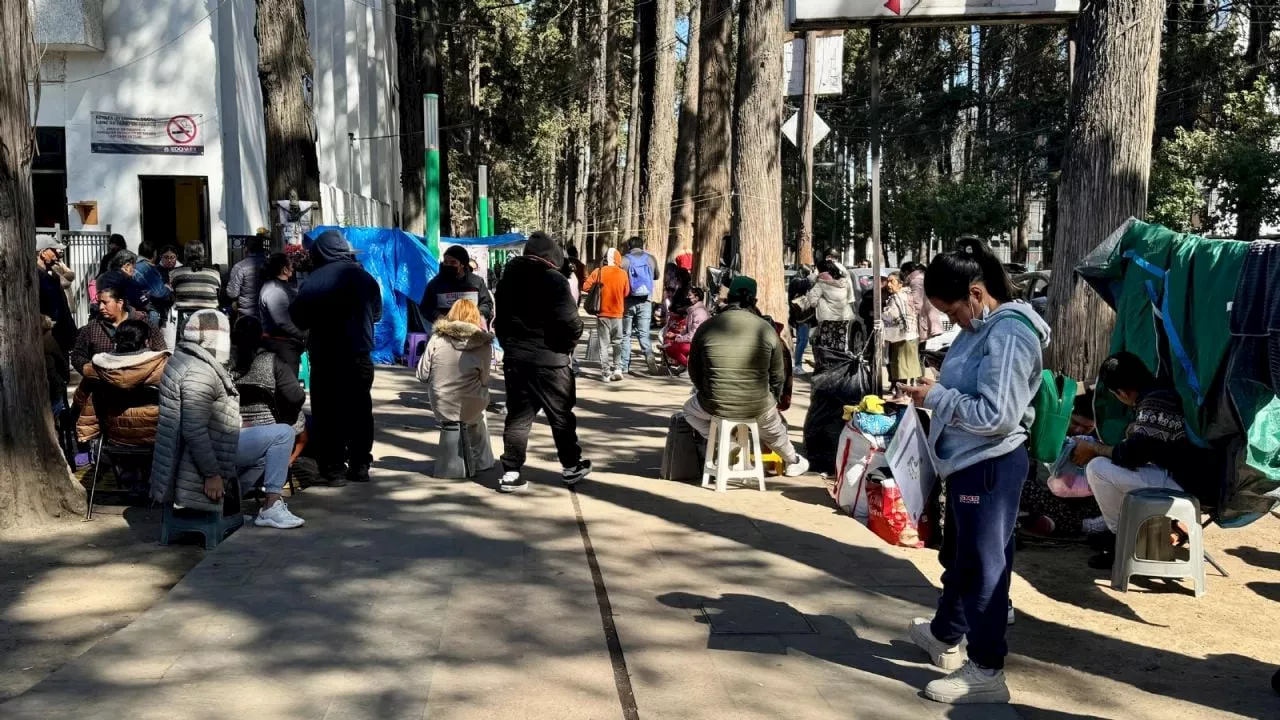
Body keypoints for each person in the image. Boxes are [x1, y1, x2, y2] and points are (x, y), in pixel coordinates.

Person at [897, 237, 1049, 706]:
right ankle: (945, 633)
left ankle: (986, 669)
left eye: (956, 311)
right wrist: (936, 385)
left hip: (990, 464)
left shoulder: (1008, 333)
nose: (956, 322)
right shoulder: (983, 329)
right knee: (962, 560)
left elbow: (997, 415)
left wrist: (937, 397)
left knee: (985, 569)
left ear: (978, 293)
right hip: (968, 463)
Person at [149, 309, 304, 529]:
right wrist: (212, 474)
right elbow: (194, 430)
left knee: (264, 452)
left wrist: (236, 423)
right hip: (203, 454)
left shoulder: (183, 359)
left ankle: (231, 503)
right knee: (283, 434)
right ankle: (271, 505)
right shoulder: (199, 372)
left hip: (202, 444)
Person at [1073, 351, 1218, 570]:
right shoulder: (1161, 392)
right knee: (1115, 473)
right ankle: (1136, 536)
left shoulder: (1156, 401)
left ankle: (1120, 540)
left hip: (1187, 484)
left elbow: (1130, 455)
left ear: (1120, 392)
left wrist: (1094, 448)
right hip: (1191, 478)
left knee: (1098, 469)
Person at [682, 275, 810, 477]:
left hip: (714, 404)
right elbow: (778, 376)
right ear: (754, 301)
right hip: (758, 406)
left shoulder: (708, 326)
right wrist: (771, 401)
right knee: (775, 432)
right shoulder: (766, 329)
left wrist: (709, 392)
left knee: (688, 411)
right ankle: (793, 460)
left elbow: (694, 371)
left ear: (728, 297)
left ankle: (728, 444)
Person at [493, 231, 591, 493]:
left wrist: (510, 347)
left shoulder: (506, 281)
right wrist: (567, 347)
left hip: (517, 360)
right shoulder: (554, 281)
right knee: (560, 416)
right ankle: (571, 466)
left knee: (518, 416)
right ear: (551, 258)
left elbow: (499, 322)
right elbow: (572, 322)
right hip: (551, 361)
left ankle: (511, 472)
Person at [290, 230, 382, 486]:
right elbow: (376, 313)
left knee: (328, 413)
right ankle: (360, 464)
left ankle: (333, 469)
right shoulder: (364, 278)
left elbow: (297, 317)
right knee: (360, 411)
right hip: (359, 354)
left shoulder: (314, 281)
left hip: (326, 357)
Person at [415, 299, 496, 474]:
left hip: (441, 404)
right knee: (479, 414)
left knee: (466, 407)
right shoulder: (484, 344)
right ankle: (483, 462)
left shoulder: (437, 338)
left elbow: (421, 374)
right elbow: (484, 380)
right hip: (471, 404)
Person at [73, 319, 169, 449]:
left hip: (114, 435)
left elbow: (80, 401)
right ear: (146, 341)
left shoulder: (98, 368)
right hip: (157, 436)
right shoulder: (162, 366)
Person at [231, 316, 308, 468]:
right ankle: (287, 463)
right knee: (299, 417)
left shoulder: (226, 362)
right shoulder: (272, 361)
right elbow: (297, 397)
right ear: (261, 337)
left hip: (232, 424)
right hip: (269, 426)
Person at [70, 285, 166, 376]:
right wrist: (90, 371)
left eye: (105, 302)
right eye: (99, 303)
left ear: (120, 303)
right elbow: (77, 355)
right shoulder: (92, 327)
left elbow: (161, 352)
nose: (101, 307)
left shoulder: (144, 323)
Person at [582, 248, 630, 382]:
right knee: (618, 342)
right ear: (618, 259)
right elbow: (626, 293)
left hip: (602, 313)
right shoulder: (623, 274)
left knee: (604, 344)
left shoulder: (599, 272)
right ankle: (618, 368)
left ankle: (605, 373)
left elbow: (585, 287)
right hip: (618, 314)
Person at [797, 258, 855, 369]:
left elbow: (812, 302)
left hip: (827, 318)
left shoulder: (821, 283)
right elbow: (849, 298)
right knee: (840, 343)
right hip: (843, 317)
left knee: (826, 344)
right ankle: (839, 366)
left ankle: (828, 368)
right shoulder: (844, 281)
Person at [421, 245, 495, 326]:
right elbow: (425, 307)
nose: (448, 265)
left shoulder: (477, 282)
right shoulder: (435, 284)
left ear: (462, 264)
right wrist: (438, 316)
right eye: (445, 262)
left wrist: (476, 314)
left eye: (453, 262)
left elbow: (487, 304)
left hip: (472, 328)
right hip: (445, 330)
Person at [618, 236, 660, 375]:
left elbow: (620, 279)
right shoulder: (651, 259)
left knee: (626, 335)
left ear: (629, 246)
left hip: (628, 301)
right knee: (644, 333)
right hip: (646, 300)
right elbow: (656, 276)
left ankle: (624, 366)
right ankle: (649, 358)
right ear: (642, 245)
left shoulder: (624, 260)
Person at [258, 252, 306, 372]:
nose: (293, 268)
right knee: (286, 385)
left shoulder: (280, 287)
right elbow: (282, 321)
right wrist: (302, 335)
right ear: (284, 269)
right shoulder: (275, 290)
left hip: (284, 344)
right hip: (281, 345)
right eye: (290, 265)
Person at [36, 236, 77, 354]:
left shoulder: (52, 273)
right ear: (43, 253)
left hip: (61, 334)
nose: (58, 255)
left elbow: (68, 279)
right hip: (51, 336)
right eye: (54, 251)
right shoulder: (37, 277)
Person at [883, 270, 921, 385]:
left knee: (902, 367)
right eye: (888, 281)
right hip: (905, 335)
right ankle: (903, 392)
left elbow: (894, 316)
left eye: (892, 282)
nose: (888, 285)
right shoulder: (903, 296)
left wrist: (884, 314)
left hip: (905, 336)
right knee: (902, 366)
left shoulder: (899, 297)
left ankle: (902, 393)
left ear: (900, 284)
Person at [169, 243, 223, 317]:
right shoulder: (214, 273)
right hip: (210, 316)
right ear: (202, 254)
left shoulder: (175, 273)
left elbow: (172, 296)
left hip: (183, 316)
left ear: (185, 254)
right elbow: (218, 294)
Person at [664, 286, 709, 370]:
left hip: (698, 342)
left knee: (672, 348)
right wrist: (676, 335)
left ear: (696, 298)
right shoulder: (692, 310)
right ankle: (685, 366)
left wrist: (678, 339)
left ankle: (689, 368)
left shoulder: (699, 312)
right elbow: (687, 330)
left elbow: (694, 335)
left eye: (690, 295)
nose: (687, 297)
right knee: (669, 344)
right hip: (693, 340)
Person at [227, 234, 269, 322]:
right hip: (268, 312)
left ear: (246, 249)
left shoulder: (239, 267)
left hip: (246, 314)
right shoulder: (270, 265)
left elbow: (232, 293)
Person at [903, 260, 944, 340]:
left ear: (907, 272)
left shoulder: (916, 281)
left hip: (922, 318)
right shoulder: (923, 277)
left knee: (921, 345)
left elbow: (917, 302)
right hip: (929, 317)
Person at [787, 265, 815, 376]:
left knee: (800, 340)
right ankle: (798, 365)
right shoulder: (797, 281)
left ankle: (798, 364)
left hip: (799, 315)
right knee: (802, 340)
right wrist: (811, 277)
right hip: (802, 315)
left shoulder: (795, 280)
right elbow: (806, 285)